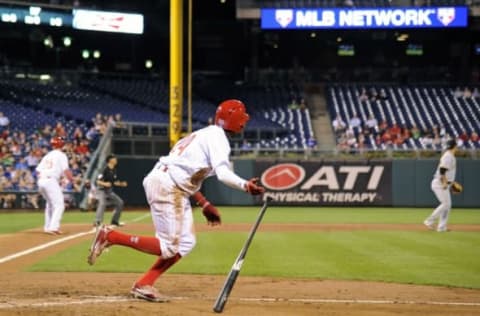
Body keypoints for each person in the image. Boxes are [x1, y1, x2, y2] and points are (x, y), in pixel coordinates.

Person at [87, 99, 265, 302]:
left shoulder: (204, 134)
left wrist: (204, 203)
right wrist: (245, 186)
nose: (245, 122)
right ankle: (111, 236)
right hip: (167, 185)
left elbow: (184, 174)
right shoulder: (218, 138)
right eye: (243, 118)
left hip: (170, 184)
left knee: (186, 243)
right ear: (237, 121)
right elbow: (223, 174)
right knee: (169, 247)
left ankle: (144, 283)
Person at [36, 137, 73, 235]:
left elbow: (38, 171)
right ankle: (53, 227)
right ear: (62, 145)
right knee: (59, 205)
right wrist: (72, 180)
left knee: (50, 204)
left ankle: (47, 227)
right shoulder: (61, 155)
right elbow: (66, 171)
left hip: (41, 180)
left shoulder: (48, 155)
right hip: (50, 181)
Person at [423, 139, 458, 232]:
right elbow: (442, 170)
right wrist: (444, 182)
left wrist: (451, 184)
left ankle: (441, 227)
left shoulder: (450, 155)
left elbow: (448, 172)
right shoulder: (448, 156)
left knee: (447, 205)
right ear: (455, 146)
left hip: (444, 182)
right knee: (445, 204)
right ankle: (429, 221)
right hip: (439, 183)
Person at [93, 154, 127, 227]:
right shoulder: (104, 169)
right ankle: (97, 221)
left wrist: (121, 184)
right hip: (101, 190)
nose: (116, 160)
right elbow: (97, 181)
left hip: (109, 191)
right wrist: (105, 183)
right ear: (110, 160)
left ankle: (114, 221)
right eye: (114, 158)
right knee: (102, 204)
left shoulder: (114, 169)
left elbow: (113, 182)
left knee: (120, 203)